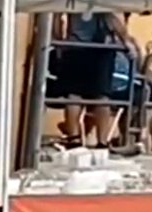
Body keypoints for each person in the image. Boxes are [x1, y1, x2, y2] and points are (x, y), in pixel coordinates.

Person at [48, 10, 135, 148]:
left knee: (74, 95)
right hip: (101, 49)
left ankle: (74, 138)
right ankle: (102, 141)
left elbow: (57, 15)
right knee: (101, 95)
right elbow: (112, 18)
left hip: (75, 46)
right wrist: (126, 40)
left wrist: (59, 40)